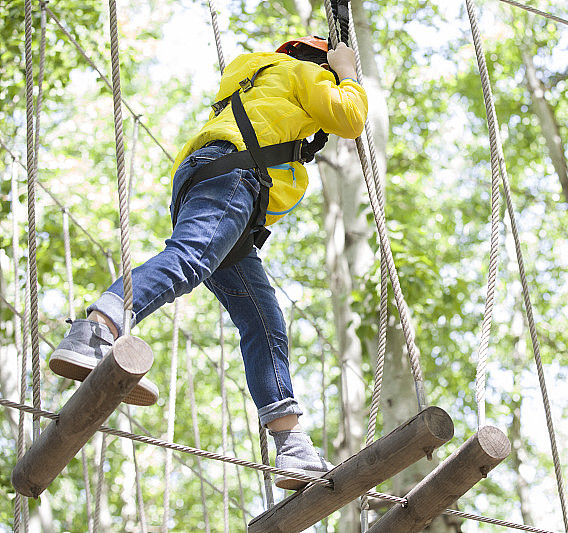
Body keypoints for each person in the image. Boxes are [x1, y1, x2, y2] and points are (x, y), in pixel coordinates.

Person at [48, 36, 368, 490]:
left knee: (262, 320)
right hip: (235, 176)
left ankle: (291, 443)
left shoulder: (250, 75)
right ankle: (97, 328)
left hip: (209, 178)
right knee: (190, 260)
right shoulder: (302, 72)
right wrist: (346, 70)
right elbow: (350, 117)